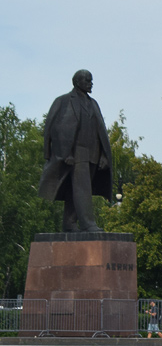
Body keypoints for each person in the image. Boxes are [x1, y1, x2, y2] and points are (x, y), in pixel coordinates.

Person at [37, 69, 113, 232]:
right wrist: (66, 153)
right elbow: (56, 129)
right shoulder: (64, 101)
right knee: (82, 188)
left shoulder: (93, 103)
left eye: (91, 80)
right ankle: (87, 223)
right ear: (77, 82)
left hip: (93, 153)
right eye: (87, 80)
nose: (91, 83)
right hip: (76, 153)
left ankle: (70, 223)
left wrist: (103, 155)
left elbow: (101, 131)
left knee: (77, 188)